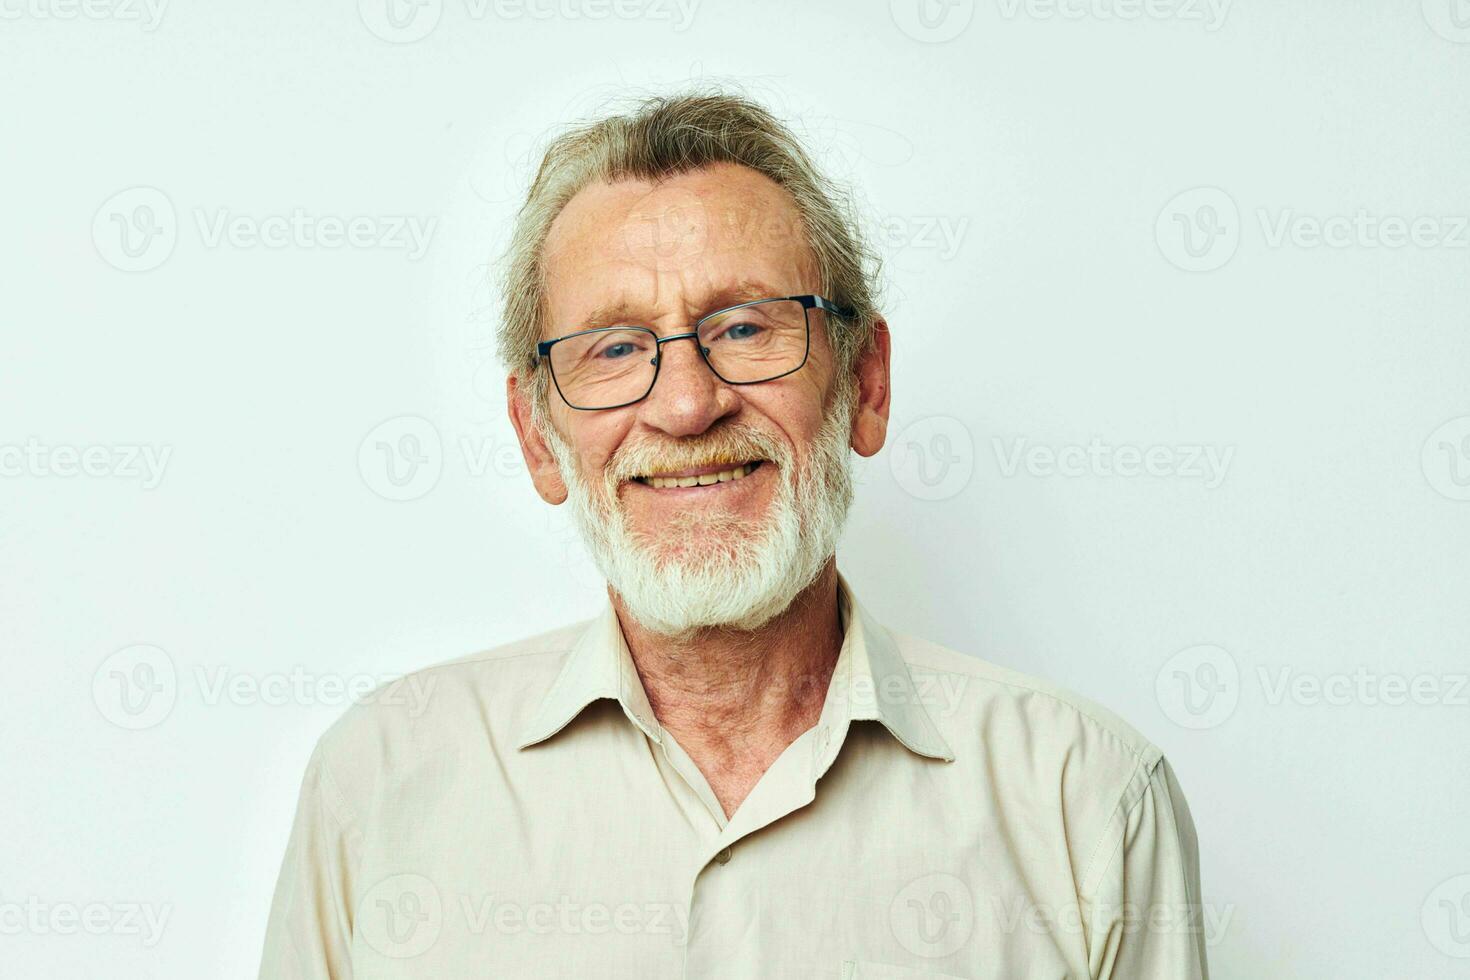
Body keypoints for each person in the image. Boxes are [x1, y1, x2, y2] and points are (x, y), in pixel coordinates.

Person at [258, 90, 1209, 979]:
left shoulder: (1086, 803)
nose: (684, 404)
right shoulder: (381, 786)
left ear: (864, 386)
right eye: (616, 347)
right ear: (536, 438)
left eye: (748, 328)